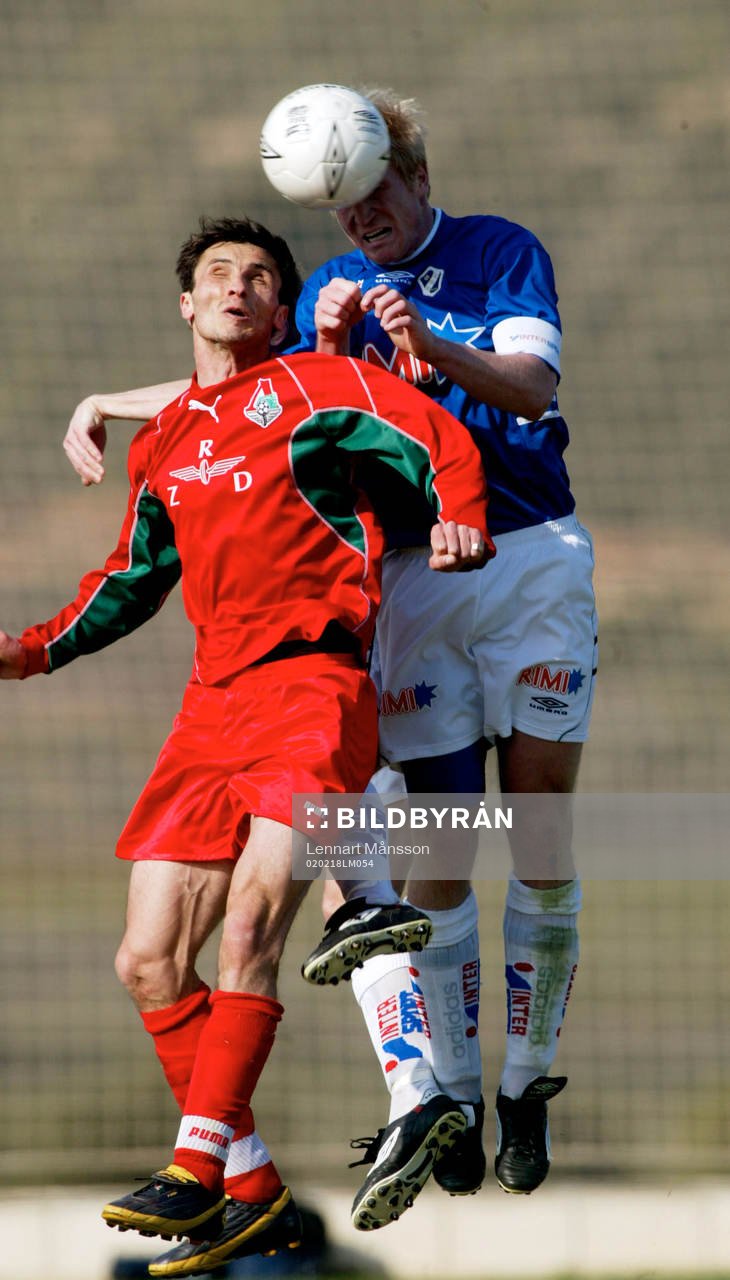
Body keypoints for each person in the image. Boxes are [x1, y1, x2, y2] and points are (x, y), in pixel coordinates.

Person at [62, 89, 596, 1229]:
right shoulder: (314, 295)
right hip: (411, 576)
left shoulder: (499, 250)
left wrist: (422, 342)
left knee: (539, 823)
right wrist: (113, 401)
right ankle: (443, 1094)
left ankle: (525, 1078)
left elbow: (531, 389)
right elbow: (258, 399)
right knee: (428, 846)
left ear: (408, 169)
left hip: (524, 552)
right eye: (337, 210)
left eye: (369, 196)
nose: (357, 222)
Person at [3, 214, 493, 1274]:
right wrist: (32, 652)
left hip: (311, 685)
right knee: (144, 958)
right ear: (187, 305)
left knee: (251, 926)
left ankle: (196, 1166)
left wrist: (458, 508)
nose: (238, 287)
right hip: (208, 703)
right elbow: (132, 576)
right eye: (219, 274)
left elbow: (430, 433)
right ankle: (255, 1189)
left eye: (260, 276)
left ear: (280, 308)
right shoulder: (168, 437)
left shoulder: (314, 385)